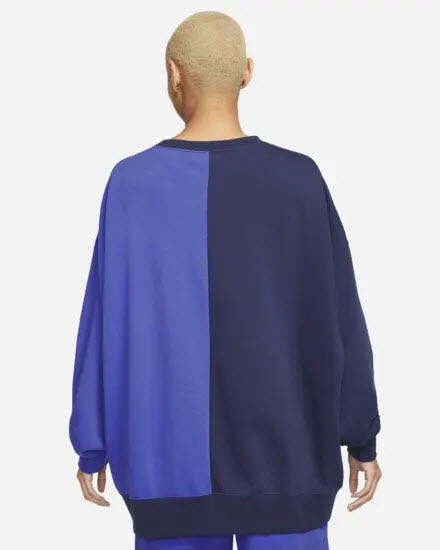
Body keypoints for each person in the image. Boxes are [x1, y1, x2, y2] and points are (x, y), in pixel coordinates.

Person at [69, 10, 381, 550]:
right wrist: (361, 436)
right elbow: (341, 318)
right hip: (289, 468)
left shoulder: (130, 184)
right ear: (248, 71)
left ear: (173, 74)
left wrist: (92, 442)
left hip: (164, 476)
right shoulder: (299, 178)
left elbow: (101, 320)